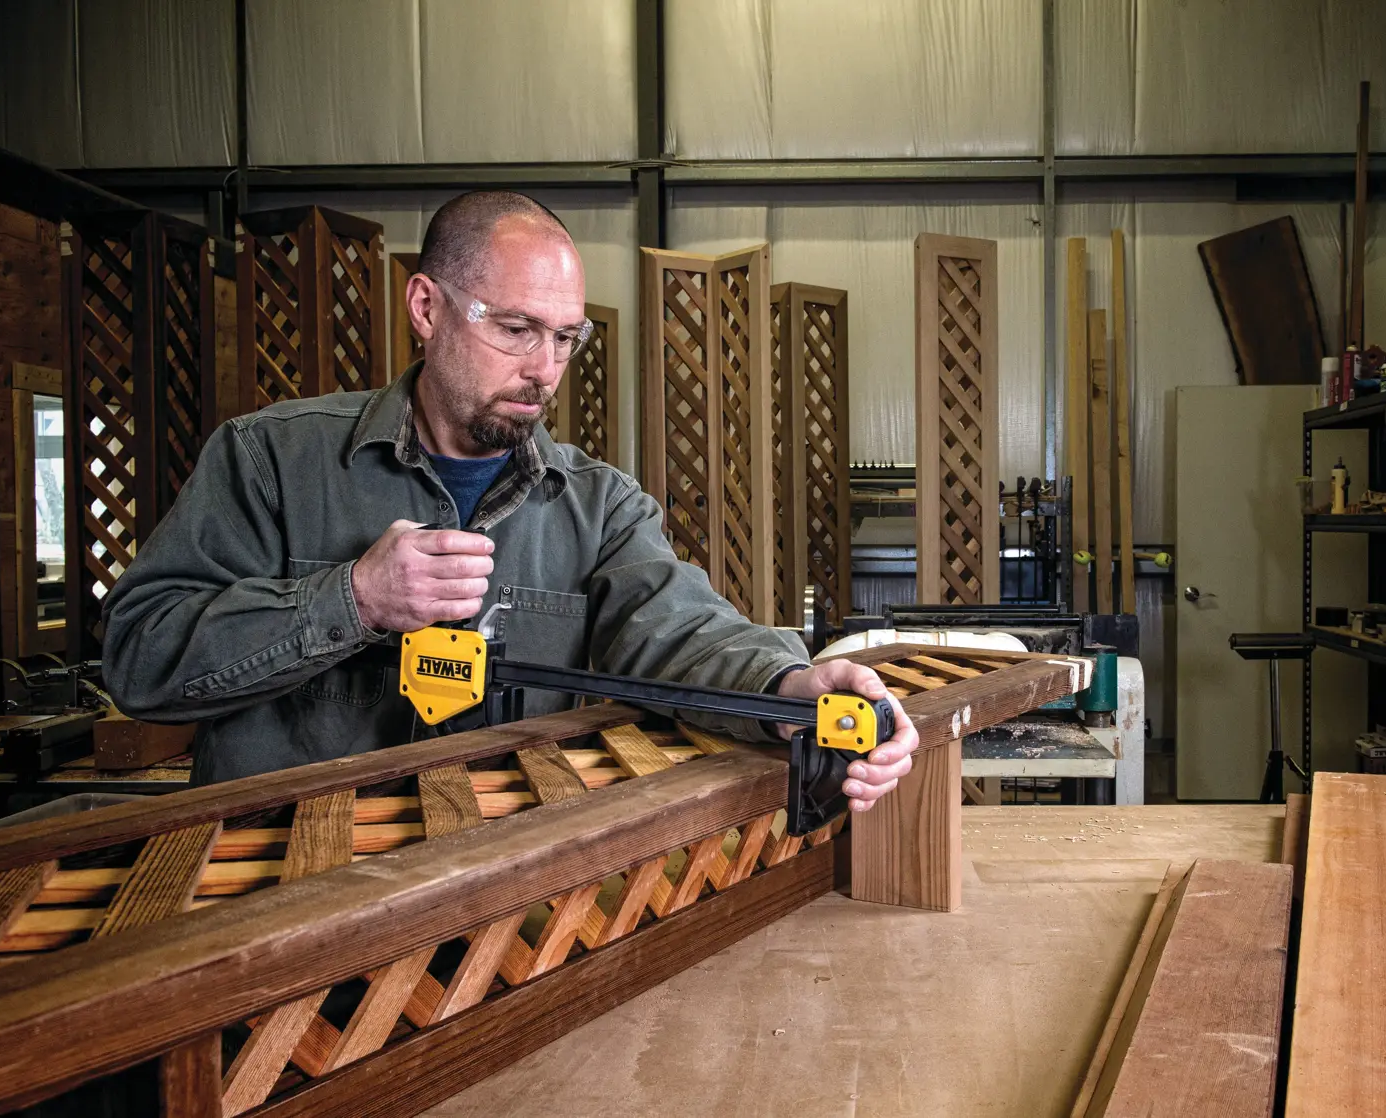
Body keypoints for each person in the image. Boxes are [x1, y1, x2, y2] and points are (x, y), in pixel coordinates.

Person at [102, 190, 915, 810]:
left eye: (566, 338)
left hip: (500, 911)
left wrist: (787, 689)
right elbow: (141, 663)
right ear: (427, 309)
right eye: (518, 329)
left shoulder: (597, 507)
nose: (545, 369)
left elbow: (685, 634)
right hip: (287, 897)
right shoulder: (270, 460)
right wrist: (351, 599)